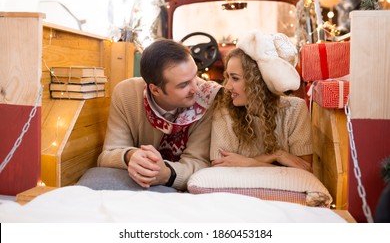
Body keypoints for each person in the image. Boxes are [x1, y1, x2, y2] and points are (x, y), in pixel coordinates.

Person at [77, 38, 221, 192]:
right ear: (155, 90)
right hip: (135, 183)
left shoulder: (208, 98)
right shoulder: (126, 93)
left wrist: (166, 174)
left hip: (179, 187)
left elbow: (200, 163)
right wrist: (131, 156)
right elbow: (107, 155)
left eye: (195, 76)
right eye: (184, 85)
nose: (196, 89)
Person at [210, 29, 313, 172]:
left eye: (235, 78)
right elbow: (220, 167)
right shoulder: (224, 111)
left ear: (258, 82)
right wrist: (275, 156)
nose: (227, 87)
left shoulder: (295, 109)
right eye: (228, 77)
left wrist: (247, 163)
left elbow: (304, 170)